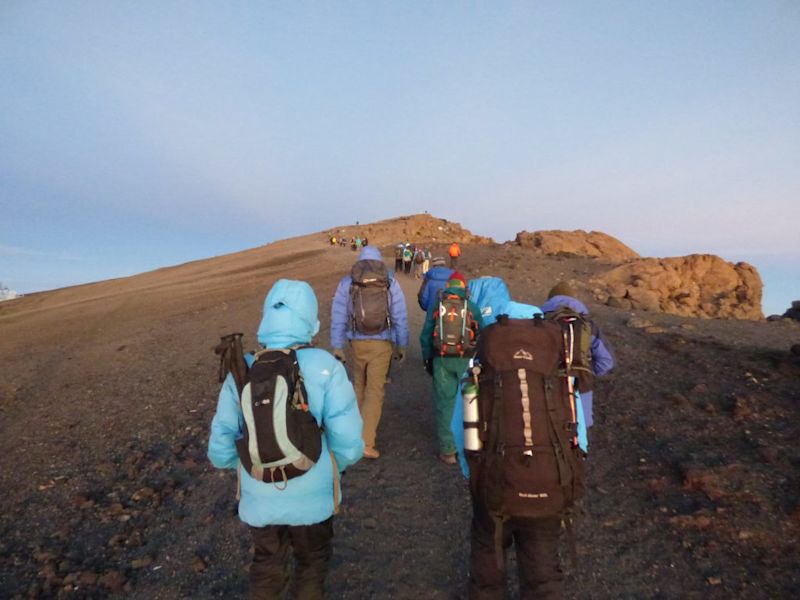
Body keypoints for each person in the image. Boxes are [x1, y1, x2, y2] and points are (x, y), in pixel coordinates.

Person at [208, 279, 364, 600]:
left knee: (267, 565)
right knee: (312, 563)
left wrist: (244, 461)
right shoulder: (326, 367)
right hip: (313, 496)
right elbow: (348, 441)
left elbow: (221, 447)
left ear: (266, 316)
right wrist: (338, 466)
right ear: (312, 321)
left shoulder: (245, 367)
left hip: (259, 491)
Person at [331, 246, 409, 459]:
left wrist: (337, 346)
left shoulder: (348, 282)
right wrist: (402, 344)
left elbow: (338, 315)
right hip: (382, 344)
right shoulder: (389, 281)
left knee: (358, 386)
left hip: (356, 342)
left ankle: (351, 437)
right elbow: (399, 315)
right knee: (375, 391)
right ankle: (365, 443)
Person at [420, 272, 484, 464]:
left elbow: (425, 336)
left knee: (445, 403)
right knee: (470, 400)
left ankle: (448, 451)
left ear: (449, 285)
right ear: (463, 285)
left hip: (442, 359)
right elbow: (483, 332)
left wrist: (428, 360)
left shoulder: (437, 304)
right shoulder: (471, 305)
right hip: (466, 359)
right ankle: (472, 444)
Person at [540, 282, 615, 431]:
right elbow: (607, 361)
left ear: (550, 300)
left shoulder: (538, 322)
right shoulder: (588, 325)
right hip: (581, 382)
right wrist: (587, 370)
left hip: (546, 382)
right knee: (579, 432)